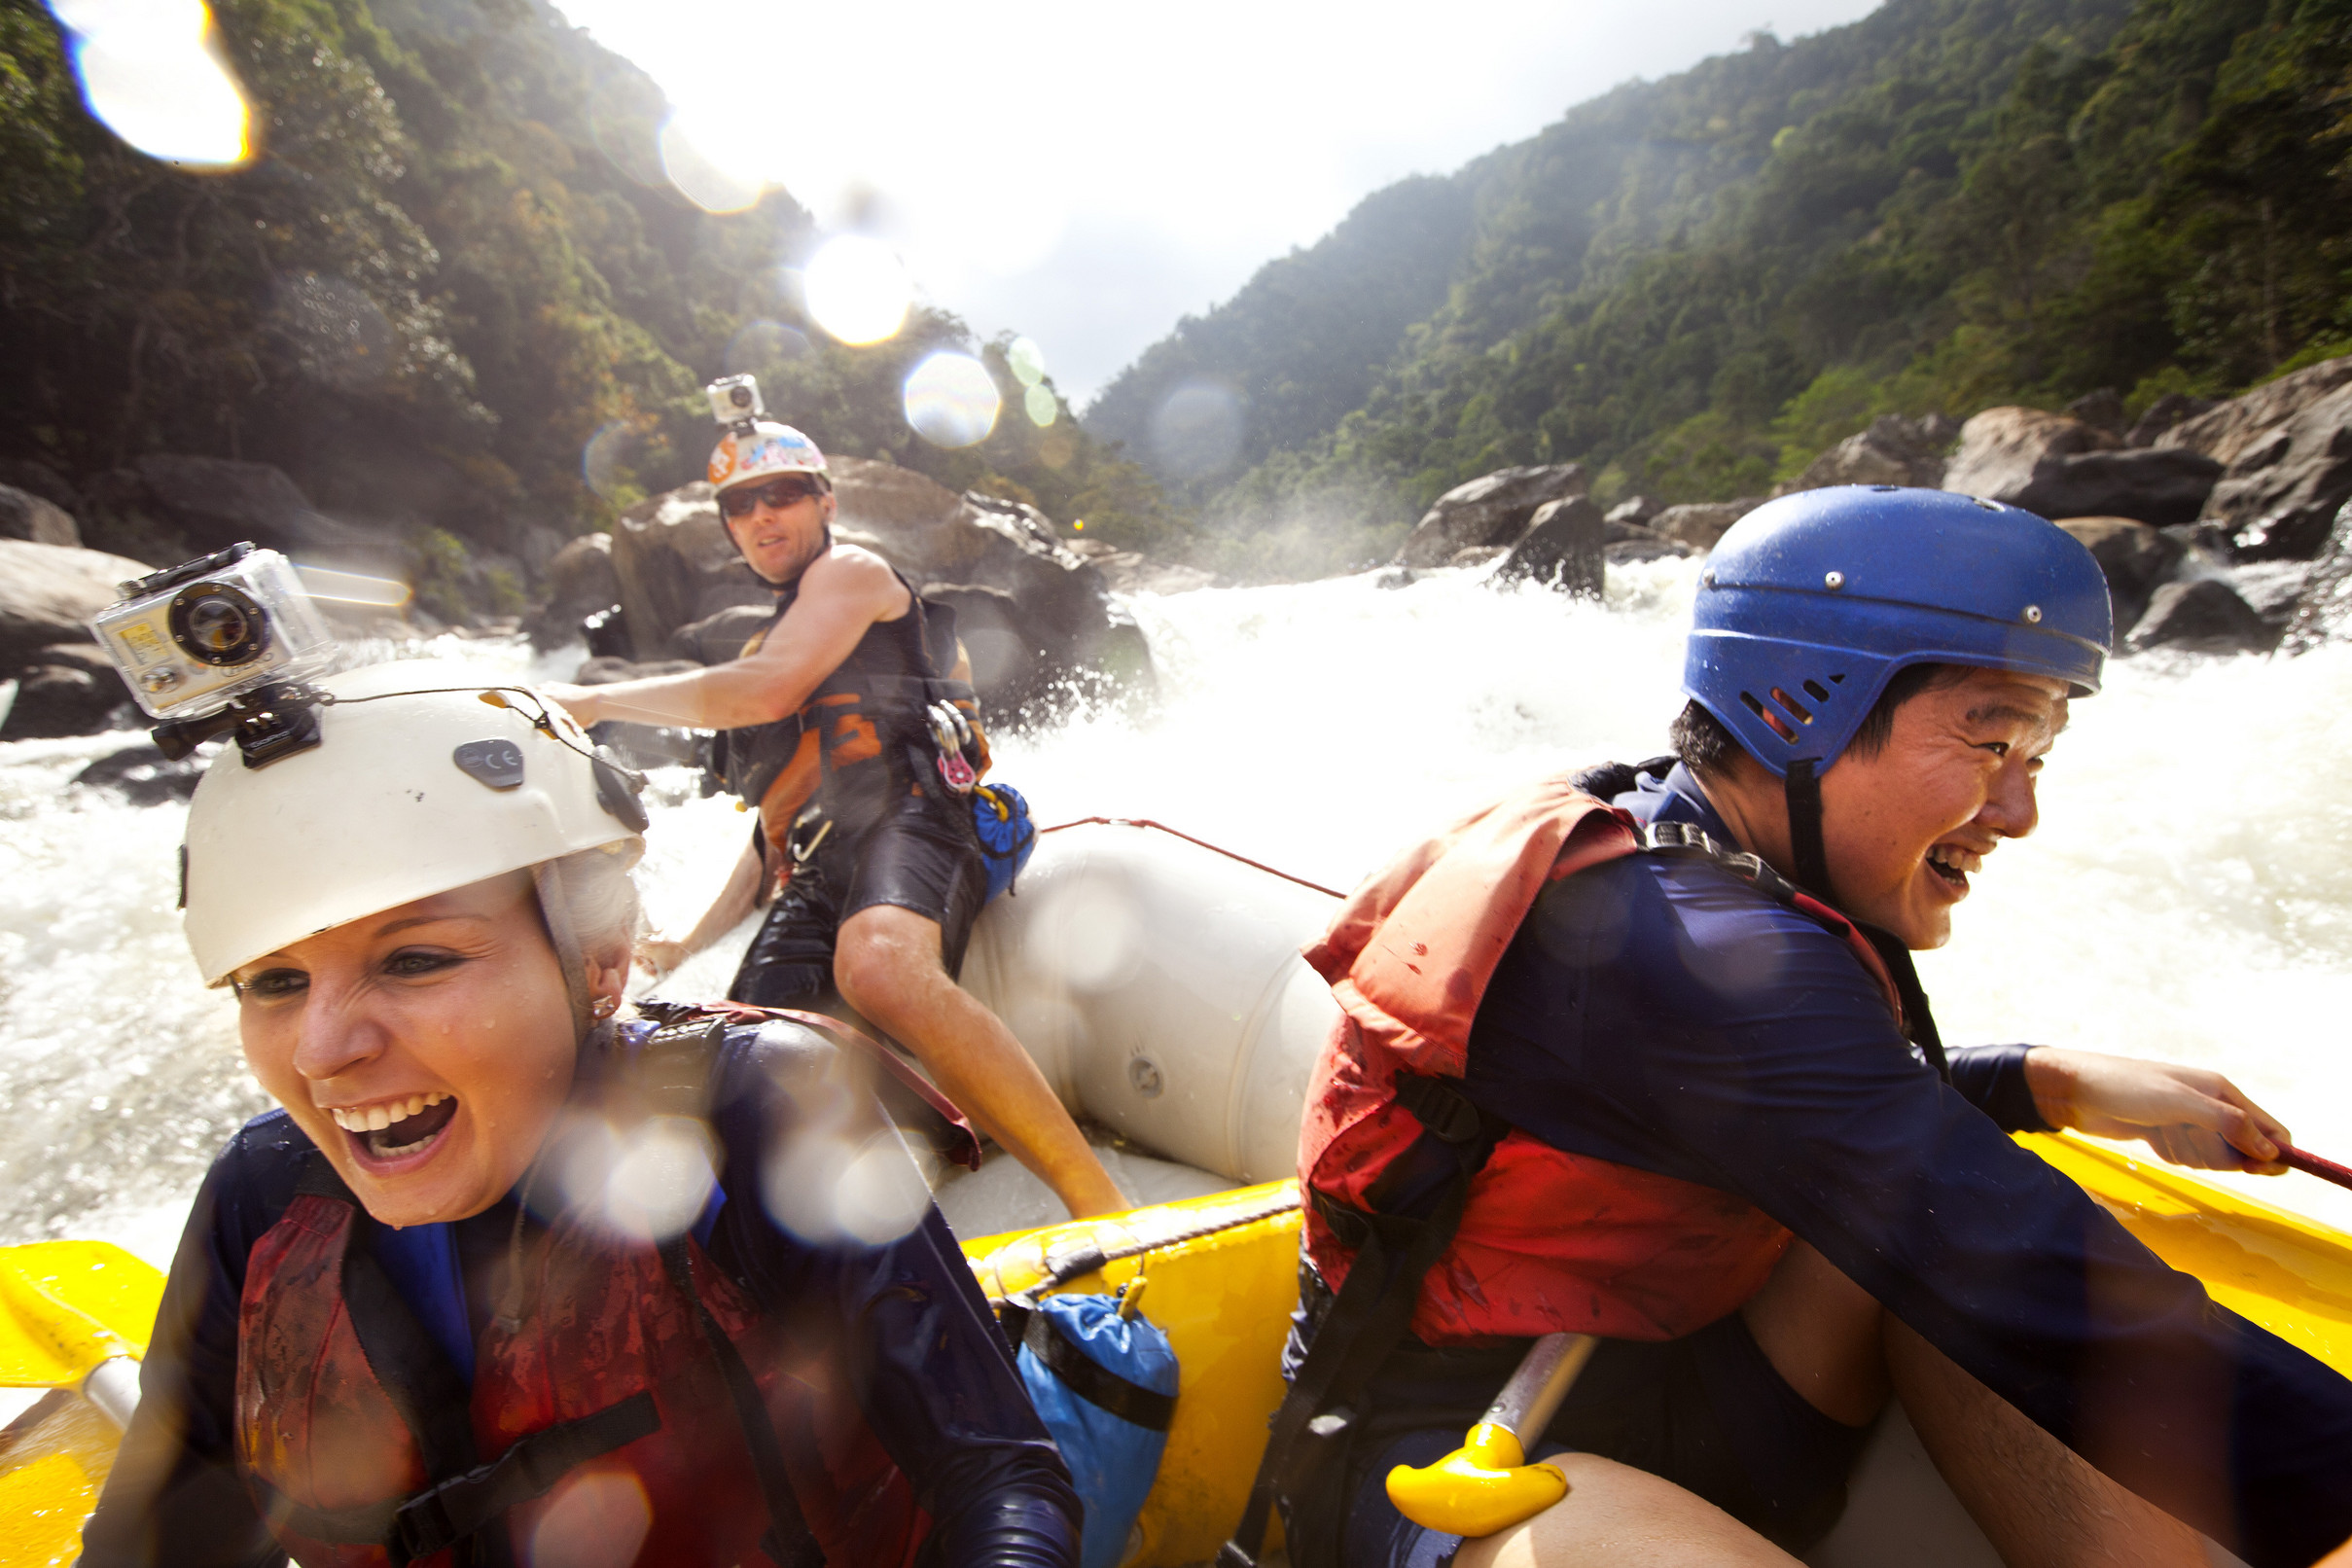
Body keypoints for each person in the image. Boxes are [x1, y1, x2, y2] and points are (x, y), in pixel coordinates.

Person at [1237, 487, 2352, 1568]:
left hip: (1707, 1388)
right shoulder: (1676, 942)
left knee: (1956, 1262)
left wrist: (2039, 1081)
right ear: (1798, 705)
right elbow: (2009, 1254)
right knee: (1999, 1268)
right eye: (1989, 740)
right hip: (1454, 1462)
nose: (2020, 814)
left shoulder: (1687, 831)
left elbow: (1815, 1118)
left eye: (2036, 755)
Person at [81, 661, 1082, 1568]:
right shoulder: (262, 1191)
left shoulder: (750, 1108)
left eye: (416, 959)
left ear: (600, 962)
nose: (320, 1050)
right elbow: (156, 1536)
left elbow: (999, 1483)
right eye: (274, 982)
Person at [543, 401, 1125, 1222]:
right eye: (740, 506)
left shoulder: (851, 577)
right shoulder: (780, 635)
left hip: (916, 819)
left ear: (826, 504)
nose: (760, 515)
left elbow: (764, 692)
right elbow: (771, 832)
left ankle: (1102, 1206)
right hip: (824, 865)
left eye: (780, 493)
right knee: (733, 1057)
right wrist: (684, 944)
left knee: (878, 964)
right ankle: (917, 1161)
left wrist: (598, 700)